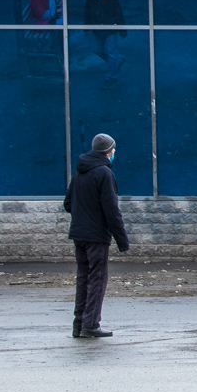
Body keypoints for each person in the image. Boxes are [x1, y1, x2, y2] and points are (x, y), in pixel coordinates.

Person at [63, 133, 130, 338]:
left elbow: (68, 204)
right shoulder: (104, 173)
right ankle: (91, 324)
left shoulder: (79, 172)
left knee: (83, 278)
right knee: (97, 280)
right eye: (113, 149)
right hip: (96, 237)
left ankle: (79, 325)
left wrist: (83, 214)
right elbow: (112, 210)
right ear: (107, 151)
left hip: (79, 234)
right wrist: (122, 240)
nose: (114, 152)